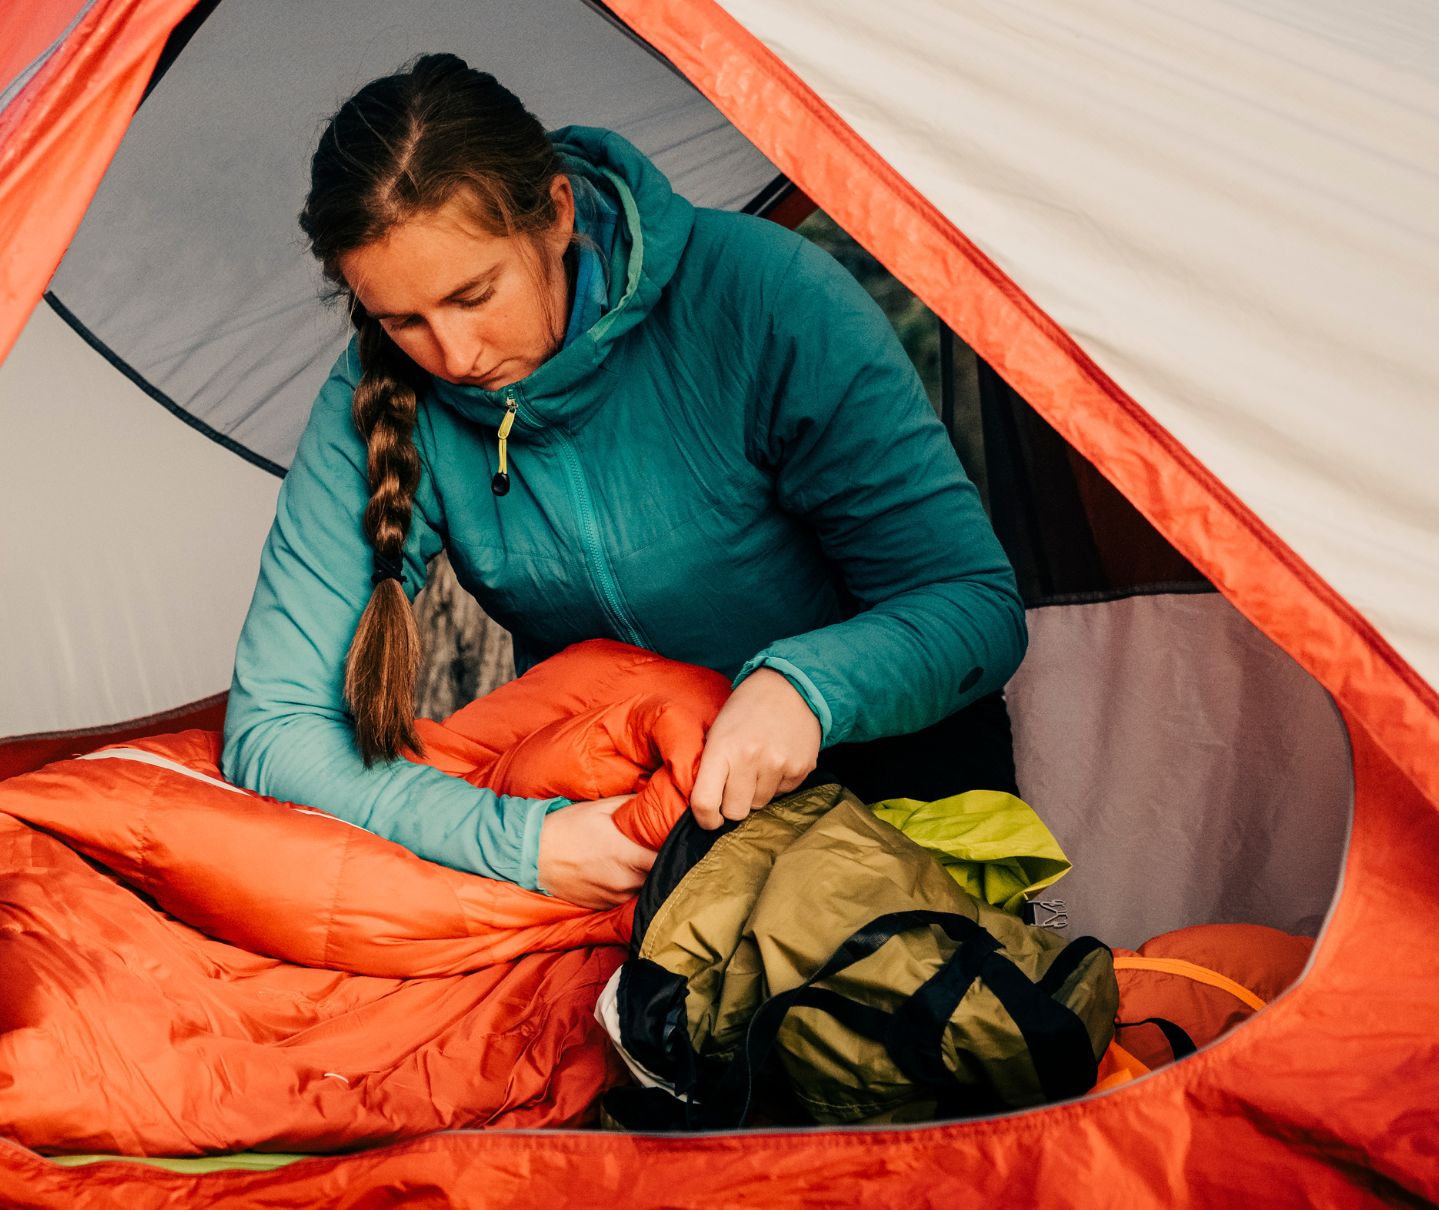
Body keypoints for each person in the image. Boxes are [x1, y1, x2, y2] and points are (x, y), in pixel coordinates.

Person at [222, 54, 1025, 910]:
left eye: (475, 294)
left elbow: (971, 603)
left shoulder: (764, 297)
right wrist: (522, 843)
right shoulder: (378, 395)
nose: (454, 358)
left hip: (888, 778)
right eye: (402, 320)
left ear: (558, 214)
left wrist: (808, 688)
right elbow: (273, 730)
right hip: (623, 821)